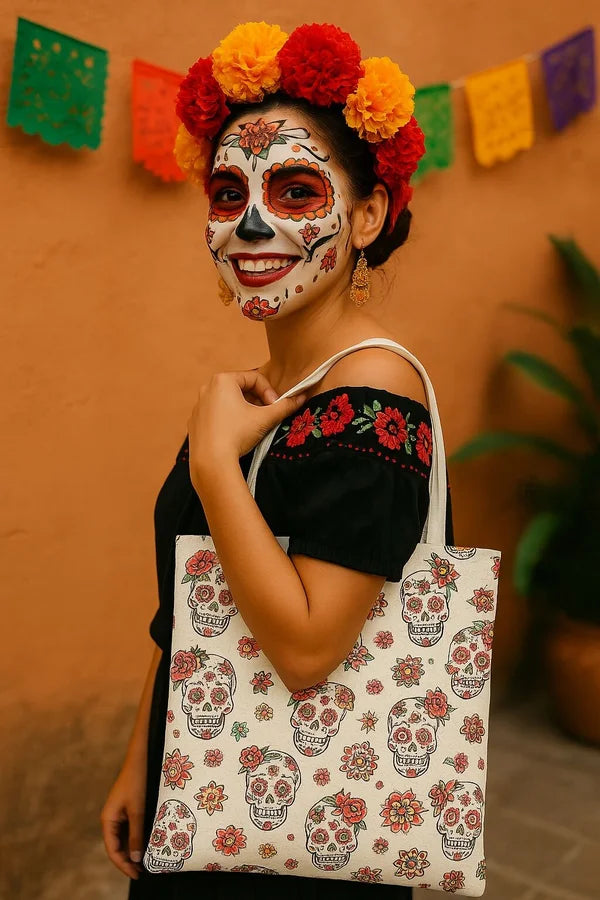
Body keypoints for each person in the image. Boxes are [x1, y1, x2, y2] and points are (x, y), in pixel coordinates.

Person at [101, 21, 454, 899]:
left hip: (303, 838)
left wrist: (217, 464)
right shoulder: (257, 388)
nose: (250, 222)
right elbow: (188, 596)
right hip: (197, 782)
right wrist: (141, 757)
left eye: (296, 190)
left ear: (369, 213)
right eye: (227, 192)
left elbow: (305, 650)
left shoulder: (376, 396)